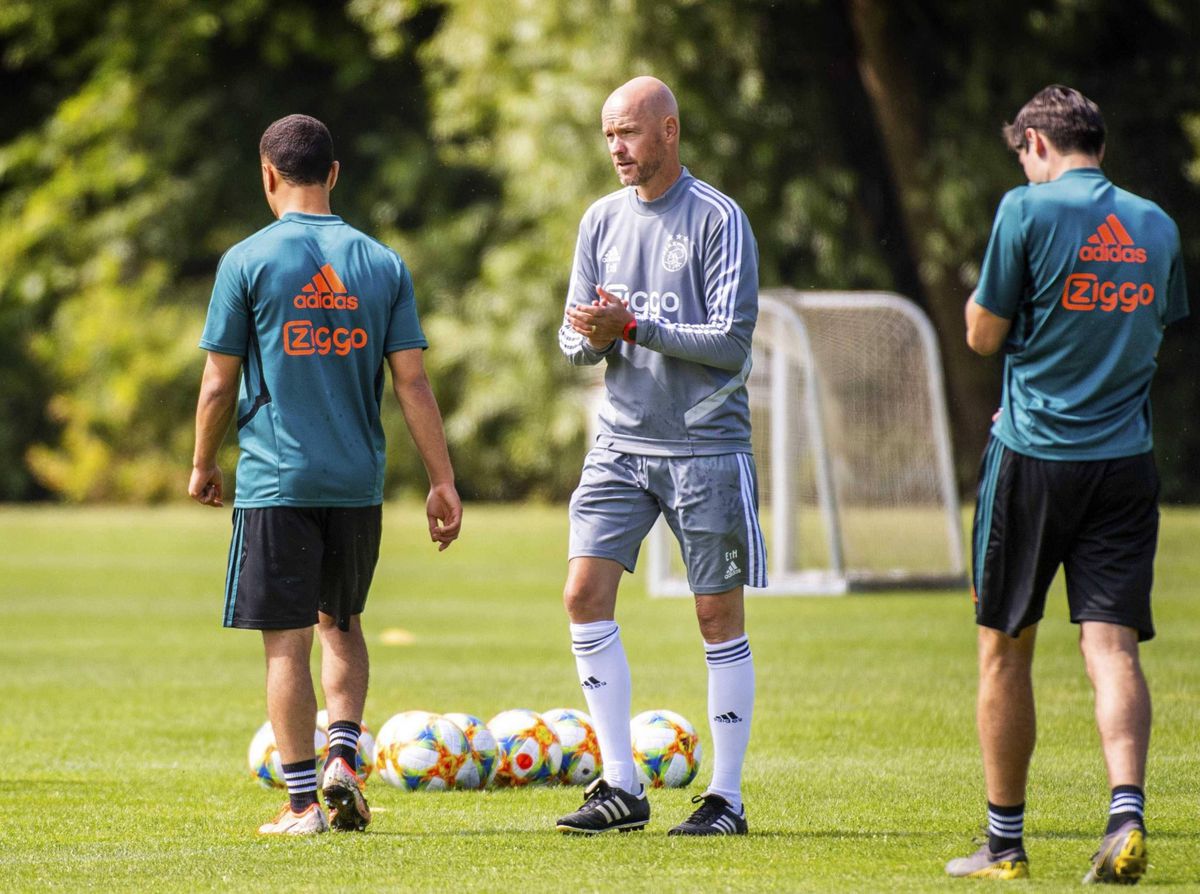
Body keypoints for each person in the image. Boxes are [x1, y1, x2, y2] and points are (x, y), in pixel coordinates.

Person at [189, 114, 462, 836]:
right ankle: (344, 753)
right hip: (356, 483)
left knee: (287, 641)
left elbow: (218, 385)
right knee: (341, 623)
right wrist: (443, 480)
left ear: (268, 176)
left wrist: (202, 463)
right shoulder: (381, 262)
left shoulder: (246, 261)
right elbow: (413, 384)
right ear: (335, 175)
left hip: (279, 482)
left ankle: (304, 803)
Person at [946, 86, 1187, 882]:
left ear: (1038, 146)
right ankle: (1125, 814)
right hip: (1125, 464)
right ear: (1102, 148)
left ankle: (1005, 846)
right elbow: (1153, 325)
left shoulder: (1026, 208)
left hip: (1035, 457)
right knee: (1112, 647)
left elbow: (983, 335)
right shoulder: (1155, 224)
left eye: (1022, 154)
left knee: (1004, 653)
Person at [554, 76, 765, 836]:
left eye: (630, 133)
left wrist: (634, 328)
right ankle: (620, 786)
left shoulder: (718, 219)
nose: (617, 147)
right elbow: (574, 336)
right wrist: (594, 337)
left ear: (669, 131)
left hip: (706, 447)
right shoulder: (601, 220)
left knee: (716, 615)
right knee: (583, 595)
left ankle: (726, 798)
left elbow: (732, 343)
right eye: (609, 134)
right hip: (619, 443)